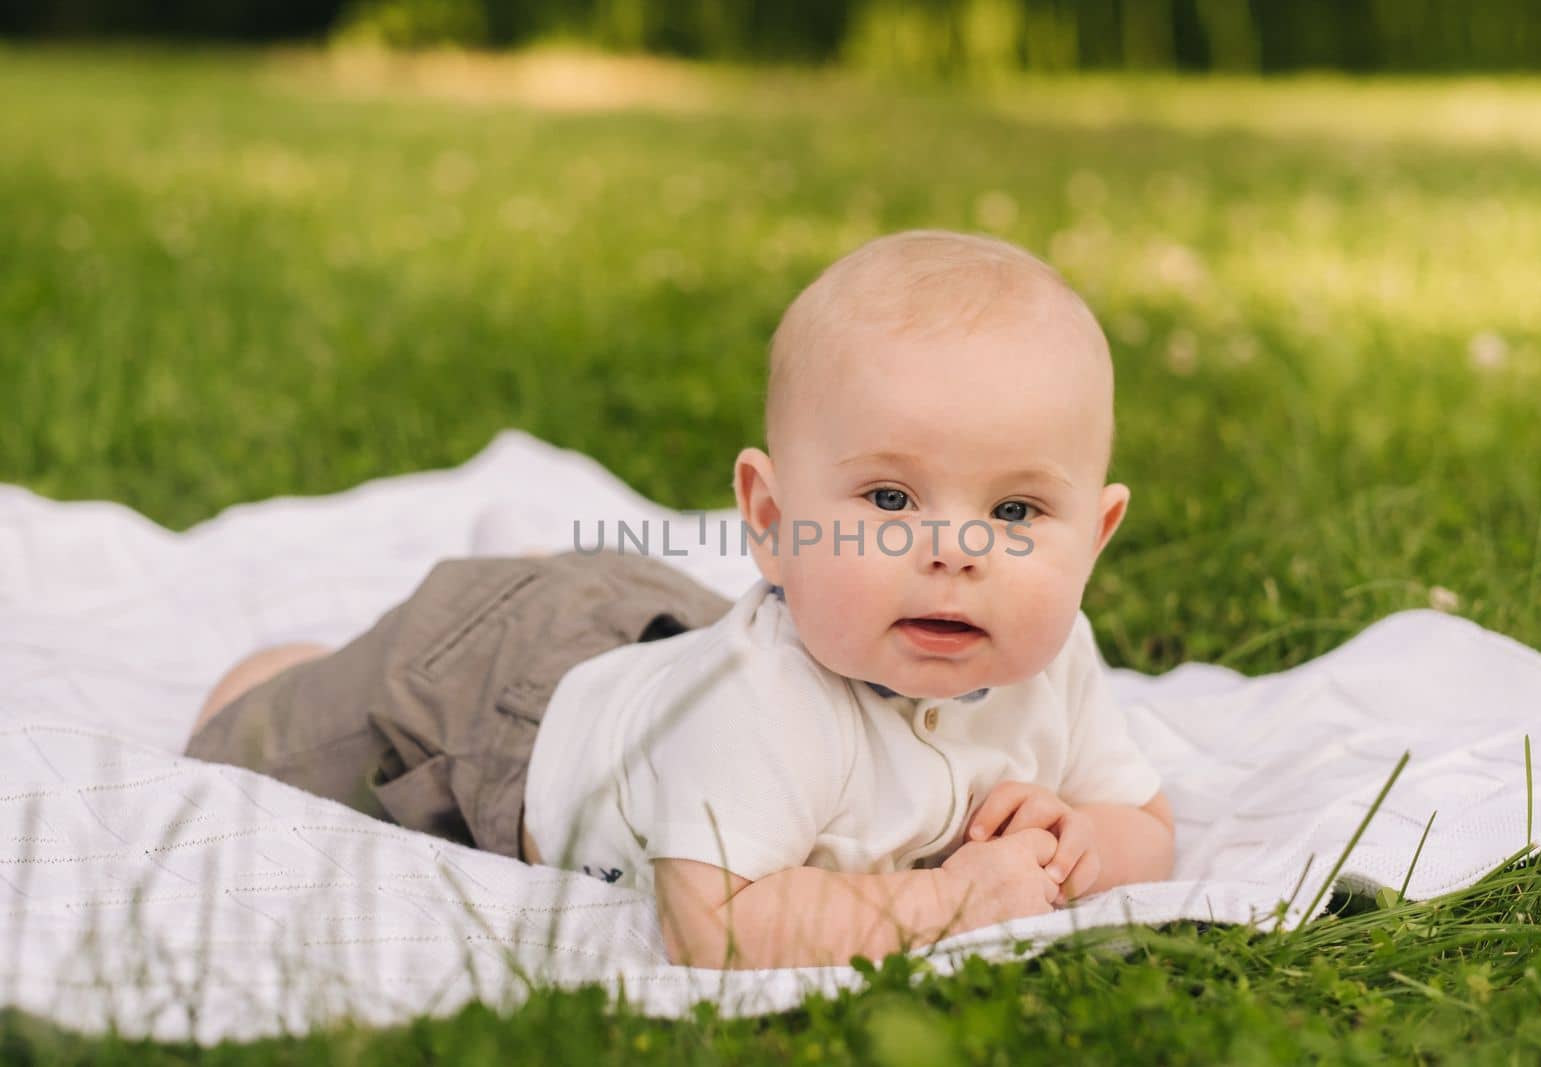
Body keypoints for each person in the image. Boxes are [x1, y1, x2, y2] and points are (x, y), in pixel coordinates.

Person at [185, 228, 1174, 971]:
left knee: (658, 639)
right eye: (887, 497)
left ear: (1094, 535)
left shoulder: (1057, 655)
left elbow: (1142, 820)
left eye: (1014, 509)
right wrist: (957, 903)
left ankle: (566, 582)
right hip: (498, 703)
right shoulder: (764, 702)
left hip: (660, 628)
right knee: (248, 745)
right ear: (773, 518)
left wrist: (1083, 846)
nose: (955, 552)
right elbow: (717, 923)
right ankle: (291, 662)